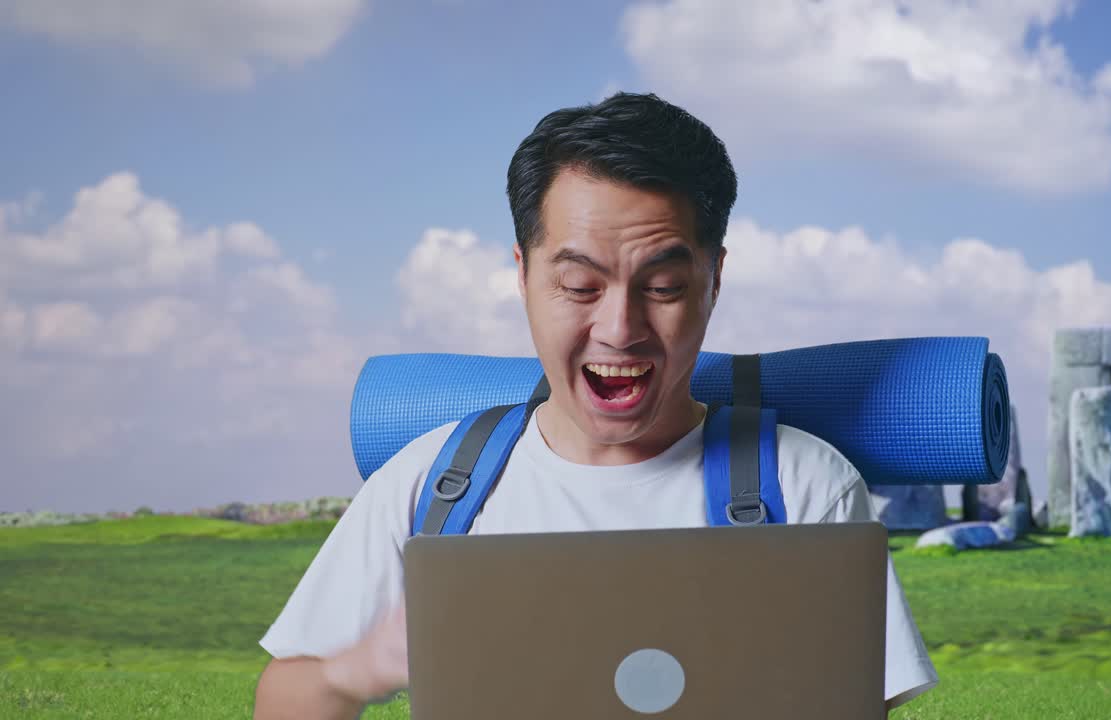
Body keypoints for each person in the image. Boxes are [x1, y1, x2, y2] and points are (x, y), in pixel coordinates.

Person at [252, 91, 938, 719]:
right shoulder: (431, 487)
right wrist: (358, 669)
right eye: (580, 286)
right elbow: (287, 696)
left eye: (663, 286)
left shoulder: (804, 487)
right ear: (522, 275)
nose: (620, 327)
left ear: (715, 279)